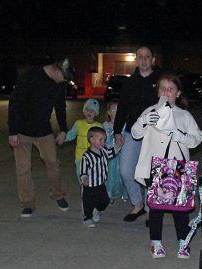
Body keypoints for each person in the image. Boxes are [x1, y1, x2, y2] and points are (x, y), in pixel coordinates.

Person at [131, 73, 202, 258]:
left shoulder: (184, 115)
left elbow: (197, 139)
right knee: (155, 209)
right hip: (153, 167)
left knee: (181, 209)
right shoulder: (150, 111)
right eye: (163, 88)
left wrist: (180, 136)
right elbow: (136, 133)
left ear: (178, 93)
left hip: (177, 167)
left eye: (171, 89)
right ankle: (156, 243)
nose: (166, 92)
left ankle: (183, 242)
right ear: (158, 92)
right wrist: (144, 121)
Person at [8, 58, 74, 218]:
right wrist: (12, 131)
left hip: (44, 131)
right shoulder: (30, 76)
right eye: (64, 77)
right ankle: (28, 203)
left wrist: (63, 129)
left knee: (53, 164)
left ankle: (58, 195)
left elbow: (60, 106)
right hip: (22, 131)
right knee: (23, 169)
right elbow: (15, 103)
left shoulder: (59, 83)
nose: (64, 81)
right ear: (56, 70)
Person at [114, 46, 161, 222]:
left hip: (154, 135)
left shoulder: (161, 80)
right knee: (126, 170)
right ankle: (137, 204)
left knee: (150, 173)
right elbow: (122, 108)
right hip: (131, 132)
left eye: (147, 57)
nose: (143, 60)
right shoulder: (129, 82)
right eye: (140, 57)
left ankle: (151, 209)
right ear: (136, 59)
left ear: (153, 59)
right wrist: (117, 132)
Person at [80, 127, 121, 228]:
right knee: (88, 202)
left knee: (105, 200)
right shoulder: (86, 156)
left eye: (104, 140)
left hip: (101, 183)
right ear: (92, 140)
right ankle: (87, 217)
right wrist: (84, 178)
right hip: (89, 185)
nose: (103, 142)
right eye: (100, 139)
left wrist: (118, 147)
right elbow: (83, 170)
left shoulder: (103, 151)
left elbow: (111, 153)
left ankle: (97, 210)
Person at [64, 99, 103, 182]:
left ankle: (92, 192)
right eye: (87, 109)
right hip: (80, 157)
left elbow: (103, 141)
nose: (89, 112)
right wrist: (63, 138)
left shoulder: (100, 126)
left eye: (92, 110)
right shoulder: (78, 123)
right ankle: (84, 191)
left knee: (93, 177)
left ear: (96, 113)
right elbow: (71, 134)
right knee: (81, 176)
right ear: (84, 111)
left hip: (94, 157)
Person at [103, 99, 128, 202]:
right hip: (110, 155)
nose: (116, 112)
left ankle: (124, 192)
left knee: (123, 173)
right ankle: (110, 193)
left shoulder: (125, 125)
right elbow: (102, 139)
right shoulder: (105, 125)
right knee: (111, 175)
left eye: (118, 110)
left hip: (122, 154)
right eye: (113, 110)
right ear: (109, 112)